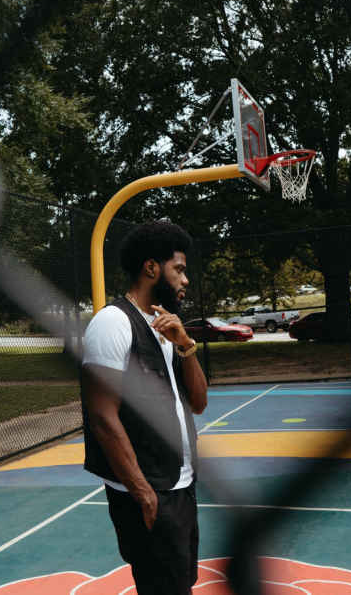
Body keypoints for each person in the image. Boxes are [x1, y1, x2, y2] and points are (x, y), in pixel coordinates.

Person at [81, 220, 208, 595]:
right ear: (152, 268)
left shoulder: (165, 327)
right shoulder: (112, 323)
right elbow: (101, 417)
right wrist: (142, 493)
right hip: (149, 488)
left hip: (179, 483)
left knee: (180, 583)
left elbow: (199, 403)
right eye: (179, 269)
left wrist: (185, 345)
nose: (185, 280)